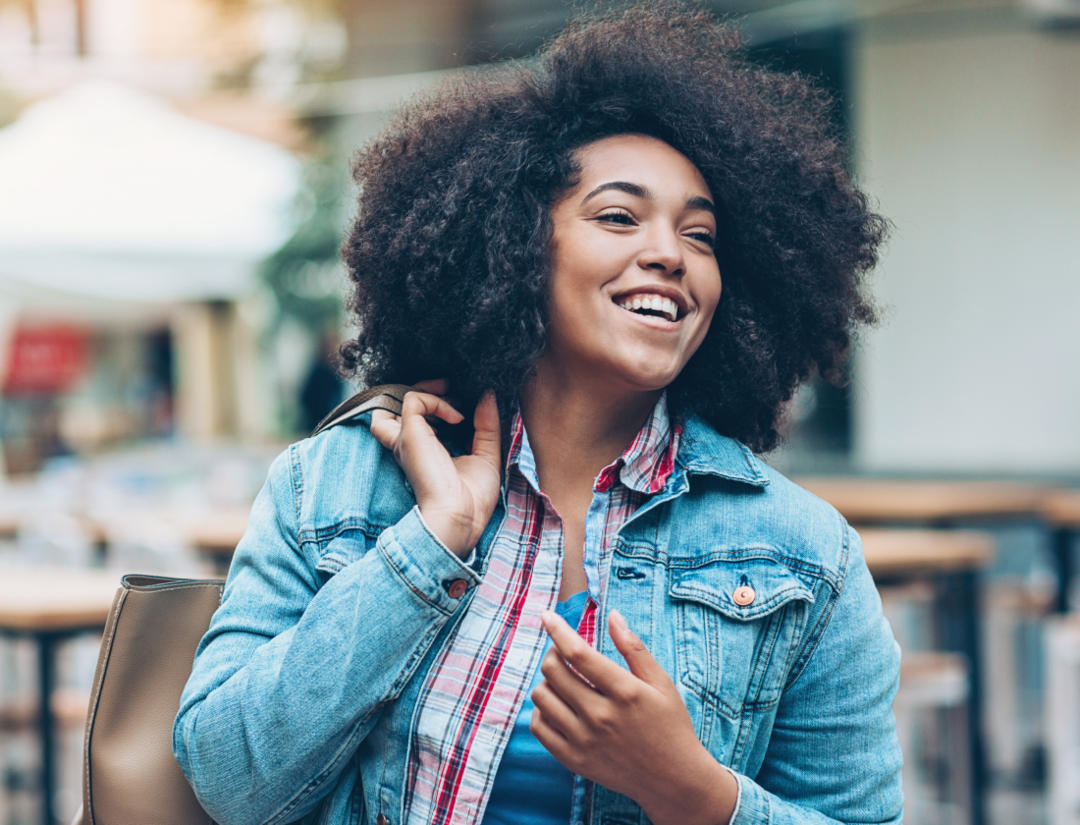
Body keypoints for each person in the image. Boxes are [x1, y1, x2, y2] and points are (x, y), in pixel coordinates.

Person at [174, 4, 903, 825]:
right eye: (619, 216)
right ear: (515, 244)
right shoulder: (336, 483)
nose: (670, 252)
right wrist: (427, 548)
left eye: (701, 237)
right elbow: (227, 780)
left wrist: (692, 791)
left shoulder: (806, 558)